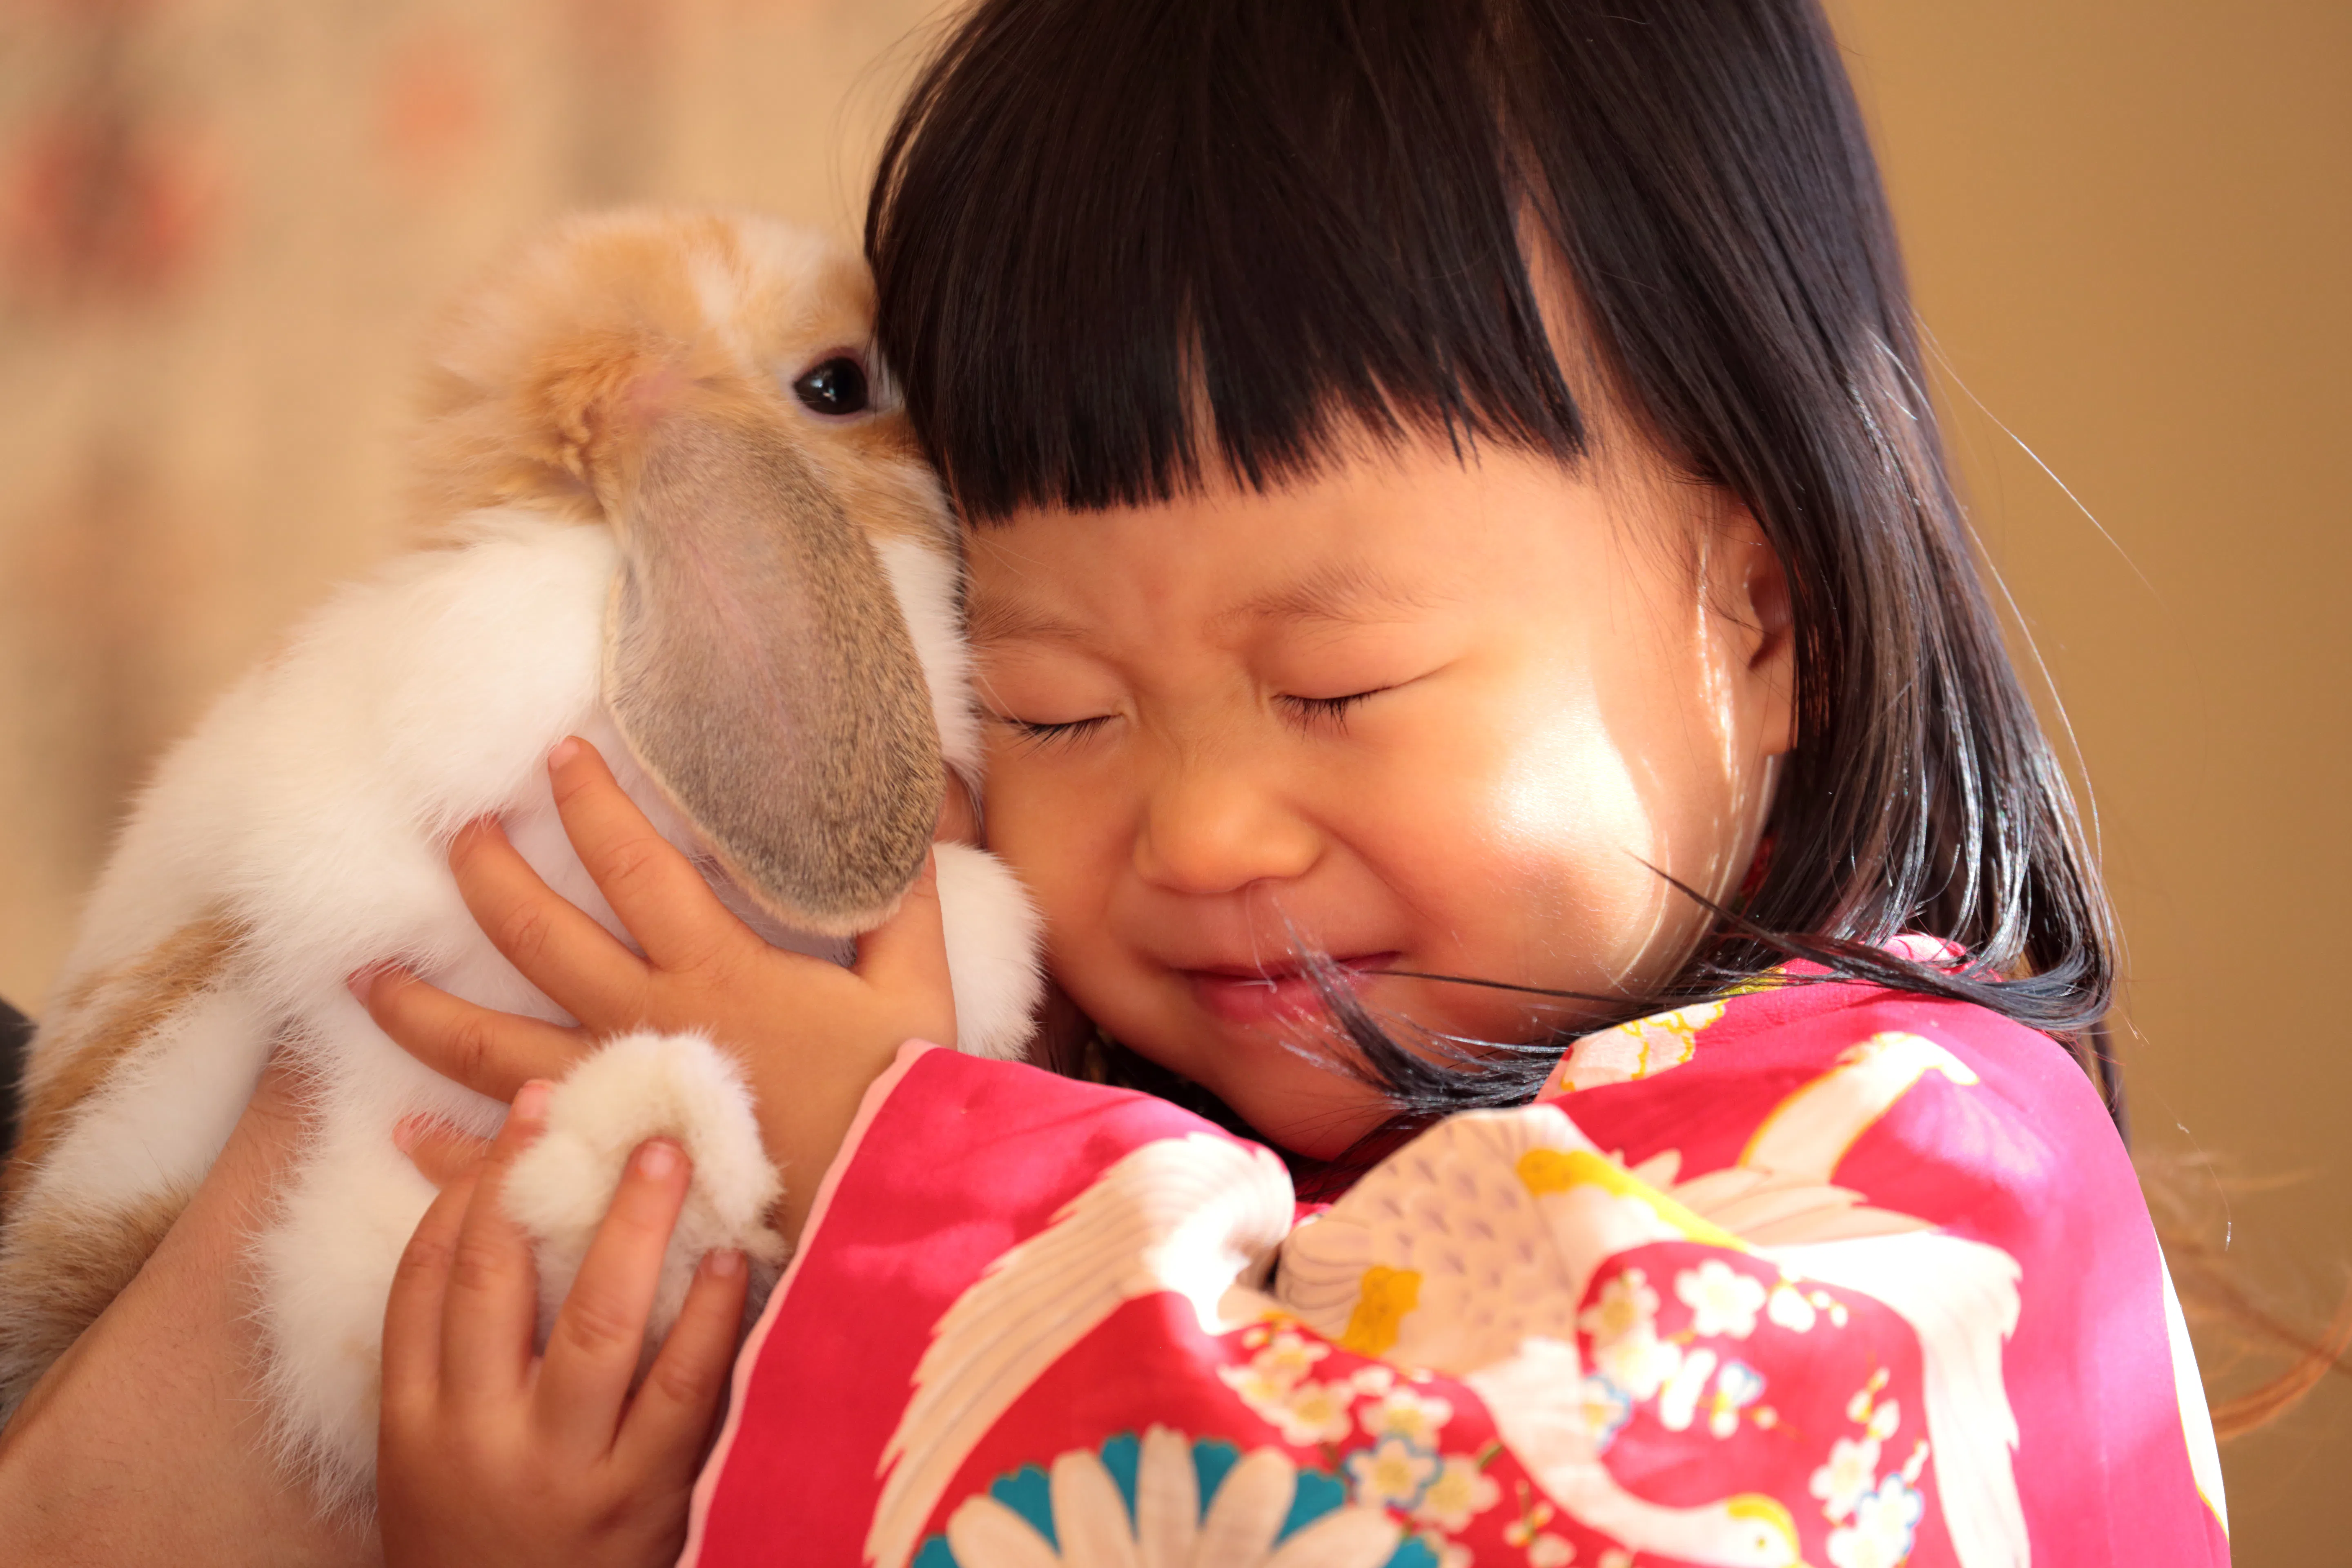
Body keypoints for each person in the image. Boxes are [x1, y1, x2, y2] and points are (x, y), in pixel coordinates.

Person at [5, 1, 2234, 1564]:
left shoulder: (1926, 1175)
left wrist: (896, 1157)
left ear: (1764, 626)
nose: (1193, 838)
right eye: (1054, 710)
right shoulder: (1132, 1131)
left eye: (1339, 688)